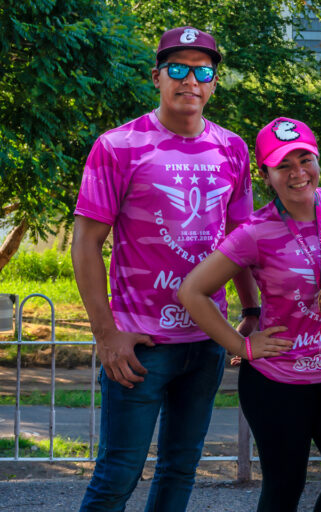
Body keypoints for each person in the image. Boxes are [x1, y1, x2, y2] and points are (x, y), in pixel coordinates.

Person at [71, 26, 259, 511]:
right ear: (157, 77)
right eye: (178, 69)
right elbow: (86, 243)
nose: (190, 80)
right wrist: (106, 334)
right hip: (139, 344)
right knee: (117, 476)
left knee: (180, 470)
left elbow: (241, 239)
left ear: (214, 82)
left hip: (205, 340)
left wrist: (251, 309)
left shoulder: (232, 149)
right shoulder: (119, 145)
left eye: (203, 71)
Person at [178, 118, 321, 511]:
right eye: (284, 165)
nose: (298, 173)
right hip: (276, 383)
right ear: (265, 175)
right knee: (284, 490)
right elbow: (192, 292)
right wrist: (242, 347)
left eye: (305, 159)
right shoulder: (255, 231)